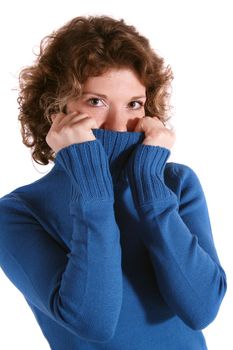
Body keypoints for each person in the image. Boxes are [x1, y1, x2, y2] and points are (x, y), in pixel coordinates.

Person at [0, 15, 227, 350]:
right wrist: (92, 187)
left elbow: (201, 309)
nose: (118, 125)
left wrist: (149, 185)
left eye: (133, 104)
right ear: (55, 110)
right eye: (96, 101)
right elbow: (93, 321)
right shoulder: (18, 213)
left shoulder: (175, 184)